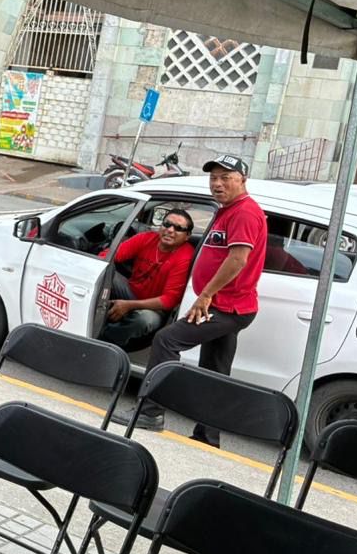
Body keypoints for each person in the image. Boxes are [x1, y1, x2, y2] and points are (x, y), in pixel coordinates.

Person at [128, 156, 266, 444]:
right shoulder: (227, 210)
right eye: (213, 177)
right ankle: (208, 434)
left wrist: (205, 295)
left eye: (226, 177)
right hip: (226, 304)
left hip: (228, 306)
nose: (217, 183)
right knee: (214, 370)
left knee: (167, 340)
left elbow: (238, 259)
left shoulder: (244, 213)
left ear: (243, 179)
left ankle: (150, 411)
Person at [98, 208, 194, 349]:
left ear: (187, 236)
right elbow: (107, 257)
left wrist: (127, 305)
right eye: (167, 224)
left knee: (144, 320)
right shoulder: (147, 238)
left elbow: (169, 300)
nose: (170, 230)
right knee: (104, 271)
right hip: (130, 291)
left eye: (178, 228)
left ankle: (104, 342)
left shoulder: (185, 256)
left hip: (155, 309)